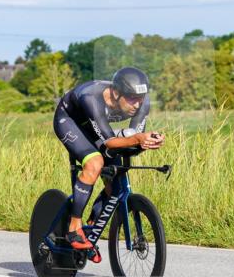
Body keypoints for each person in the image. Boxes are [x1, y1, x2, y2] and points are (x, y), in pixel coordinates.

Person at [53, 67, 165, 253]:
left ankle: (91, 228)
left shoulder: (141, 103)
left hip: (95, 127)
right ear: (115, 93)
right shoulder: (91, 98)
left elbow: (133, 139)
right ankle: (74, 227)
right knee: (94, 163)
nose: (137, 104)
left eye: (141, 98)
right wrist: (138, 139)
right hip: (69, 122)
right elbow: (111, 142)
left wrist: (147, 140)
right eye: (131, 98)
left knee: (114, 185)